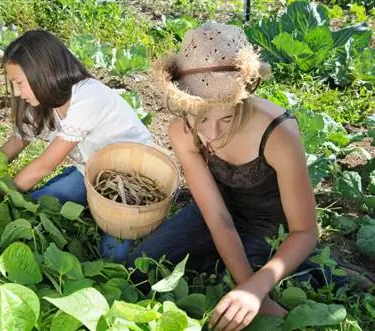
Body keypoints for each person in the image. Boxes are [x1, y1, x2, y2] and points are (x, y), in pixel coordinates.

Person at [124, 22, 347, 330]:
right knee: (141, 265)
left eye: (226, 118)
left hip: (273, 228)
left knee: (228, 287)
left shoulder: (277, 131)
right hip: (217, 215)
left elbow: (305, 231)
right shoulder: (181, 132)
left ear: (242, 99)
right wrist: (248, 285)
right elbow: (217, 217)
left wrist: (256, 289)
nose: (211, 135)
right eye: (199, 118)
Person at [0, 29, 151, 256]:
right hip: (91, 172)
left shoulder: (88, 97)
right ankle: (91, 202)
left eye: (19, 83)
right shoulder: (42, 103)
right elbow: (13, 145)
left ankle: (128, 217)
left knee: (113, 255)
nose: (17, 92)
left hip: (132, 179)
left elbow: (45, 165)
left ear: (44, 72)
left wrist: (3, 196)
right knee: (37, 205)